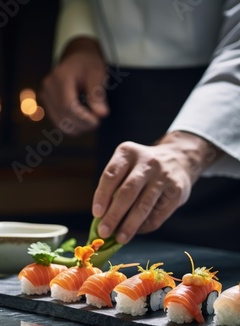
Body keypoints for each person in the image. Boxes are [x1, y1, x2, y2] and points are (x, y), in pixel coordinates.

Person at [40, 0, 240, 251]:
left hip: (222, 120)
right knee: (120, 253)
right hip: (121, 104)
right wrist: (81, 40)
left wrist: (185, 150)